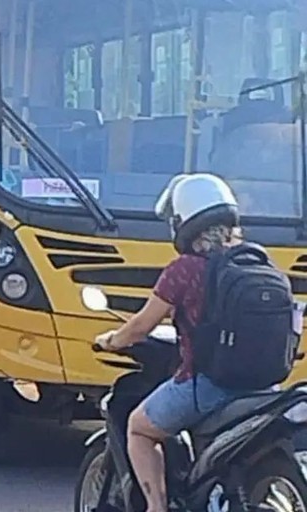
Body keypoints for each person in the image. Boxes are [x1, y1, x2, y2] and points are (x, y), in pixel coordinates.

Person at [93, 174, 264, 512]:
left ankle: (157, 506)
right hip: (261, 386)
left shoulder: (185, 269)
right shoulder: (255, 260)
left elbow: (142, 325)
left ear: (183, 222)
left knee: (139, 428)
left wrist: (112, 340)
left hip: (207, 385)